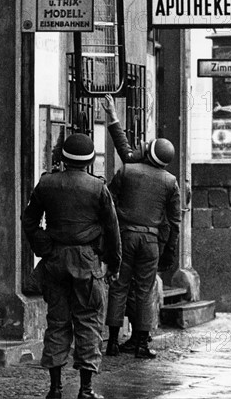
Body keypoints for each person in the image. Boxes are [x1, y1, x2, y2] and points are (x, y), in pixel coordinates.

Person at [22, 133, 121, 399]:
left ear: (63, 158)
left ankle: (55, 389)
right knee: (88, 323)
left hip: (55, 261)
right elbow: (112, 229)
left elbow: (29, 220)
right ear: (90, 161)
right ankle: (86, 390)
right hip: (87, 262)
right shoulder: (98, 188)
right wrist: (114, 263)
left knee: (57, 322)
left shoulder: (47, 183)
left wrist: (44, 247)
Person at [102, 94, 181, 359]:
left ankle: (112, 342)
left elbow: (109, 202)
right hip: (150, 242)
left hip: (125, 237)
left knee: (119, 286)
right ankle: (142, 345)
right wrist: (170, 251)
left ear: (149, 152)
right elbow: (175, 222)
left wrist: (113, 119)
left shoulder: (128, 170)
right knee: (145, 291)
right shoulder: (170, 182)